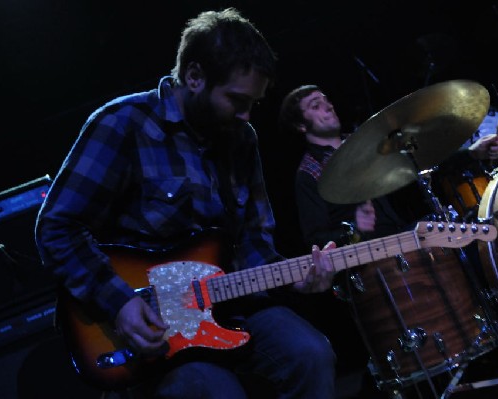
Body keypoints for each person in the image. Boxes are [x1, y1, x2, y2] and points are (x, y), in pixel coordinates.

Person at [35, 9, 337, 399]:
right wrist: (120, 304)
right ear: (194, 77)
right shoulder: (123, 123)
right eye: (237, 100)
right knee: (214, 390)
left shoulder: (241, 138)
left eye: (254, 104)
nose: (246, 115)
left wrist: (294, 276)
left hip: (229, 304)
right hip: (149, 326)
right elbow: (56, 227)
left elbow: (253, 240)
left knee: (311, 354)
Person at [278, 84, 498, 249]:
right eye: (316, 106)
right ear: (300, 125)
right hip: (372, 260)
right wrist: (354, 230)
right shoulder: (309, 172)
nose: (328, 107)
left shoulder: (362, 145)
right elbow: (316, 239)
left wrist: (472, 153)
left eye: (327, 100)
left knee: (473, 232)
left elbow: (420, 163)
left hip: (404, 235)